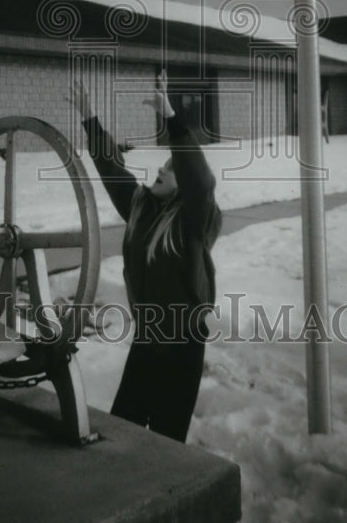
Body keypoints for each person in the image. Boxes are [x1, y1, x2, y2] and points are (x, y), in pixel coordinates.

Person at [71, 69, 221, 443]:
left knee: (167, 440)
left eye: (170, 168)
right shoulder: (140, 206)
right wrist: (90, 119)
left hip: (183, 345)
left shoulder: (195, 221)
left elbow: (200, 180)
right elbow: (111, 169)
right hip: (147, 338)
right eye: (164, 164)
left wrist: (173, 119)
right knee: (127, 427)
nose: (161, 168)